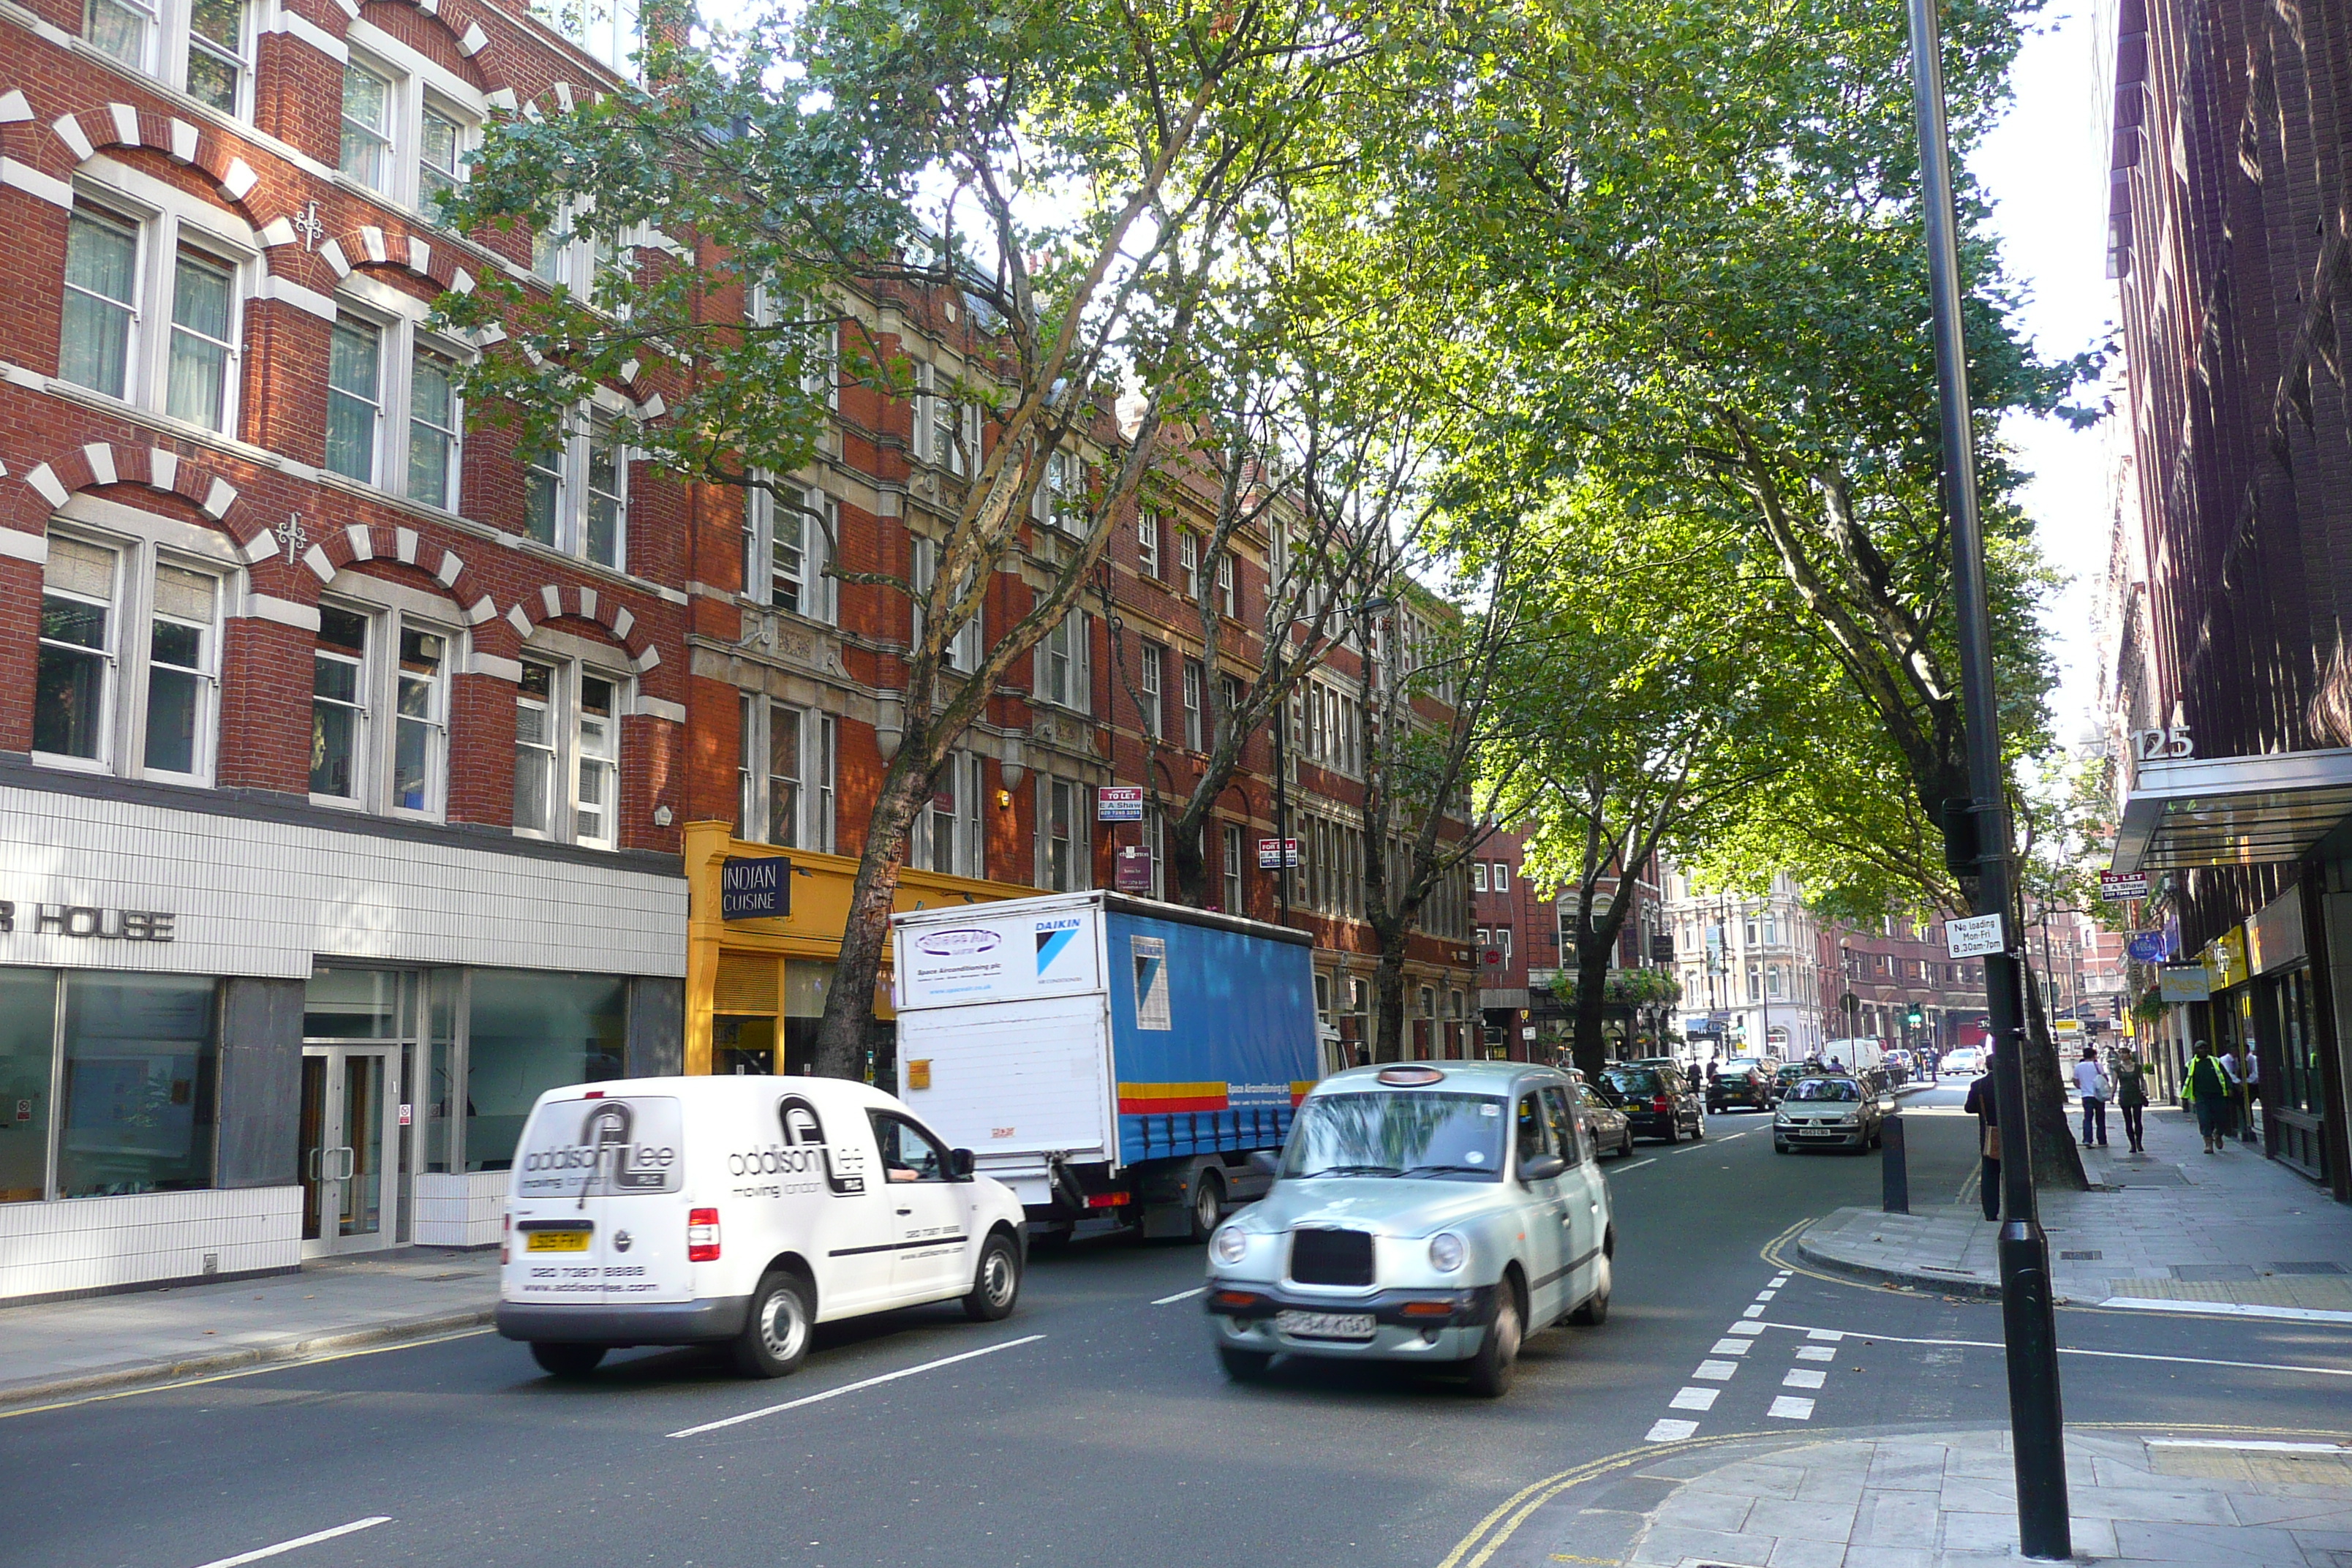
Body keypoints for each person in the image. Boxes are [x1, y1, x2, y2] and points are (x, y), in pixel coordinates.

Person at [1963, 1054, 2002, 1221]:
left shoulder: (1978, 1086)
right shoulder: (2013, 1084)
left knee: (1990, 1173)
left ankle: (1991, 1212)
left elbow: (1969, 1108)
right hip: (2013, 1135)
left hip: (1989, 1134)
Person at [2183, 1040, 2231, 1153]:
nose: (2203, 1050)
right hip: (2201, 1097)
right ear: (2196, 1050)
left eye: (2205, 1048)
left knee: (2221, 1119)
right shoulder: (2190, 1064)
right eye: (2200, 1048)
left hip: (2217, 1096)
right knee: (2204, 1119)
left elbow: (2225, 1076)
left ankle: (2218, 1134)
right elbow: (2186, 1081)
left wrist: (2229, 1088)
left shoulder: (2215, 1062)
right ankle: (2208, 1143)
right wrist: (2185, 1098)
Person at [2070, 1044, 2109, 1147]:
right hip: (2099, 1096)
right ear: (2094, 1055)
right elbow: (2105, 1078)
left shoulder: (2078, 1066)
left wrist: (2082, 1087)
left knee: (2087, 1118)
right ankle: (2102, 1140)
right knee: (2100, 1118)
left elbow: (2075, 1081)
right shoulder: (2097, 1065)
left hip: (2086, 1095)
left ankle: (2087, 1139)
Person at [2112, 1048, 2149, 1153]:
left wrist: (2145, 1090)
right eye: (2120, 1054)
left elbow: (2142, 1079)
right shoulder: (2117, 1068)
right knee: (2128, 1121)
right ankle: (2132, 1144)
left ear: (2129, 1055)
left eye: (2124, 1053)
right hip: (2124, 1095)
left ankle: (2139, 1143)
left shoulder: (2137, 1067)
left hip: (2136, 1094)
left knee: (2138, 1120)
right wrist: (2111, 1095)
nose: (2122, 1056)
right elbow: (2115, 1083)